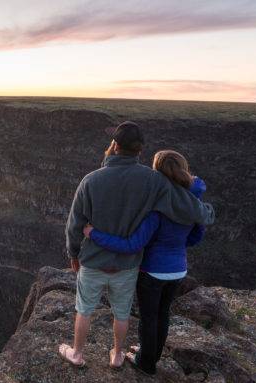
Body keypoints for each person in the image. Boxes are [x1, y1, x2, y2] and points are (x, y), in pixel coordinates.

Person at [60, 121, 215, 368]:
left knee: (84, 309)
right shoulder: (154, 180)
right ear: (140, 150)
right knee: (121, 313)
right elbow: (185, 204)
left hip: (93, 261)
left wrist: (74, 253)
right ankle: (118, 355)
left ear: (114, 146)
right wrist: (205, 212)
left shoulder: (90, 180)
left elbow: (74, 224)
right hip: (127, 264)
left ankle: (77, 354)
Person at [83, 150, 206, 375]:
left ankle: (146, 363)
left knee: (149, 317)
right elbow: (196, 237)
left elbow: (132, 245)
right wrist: (174, 244)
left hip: (153, 271)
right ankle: (151, 354)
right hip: (178, 269)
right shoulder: (192, 204)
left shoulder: (158, 210)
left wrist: (93, 234)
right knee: (163, 314)